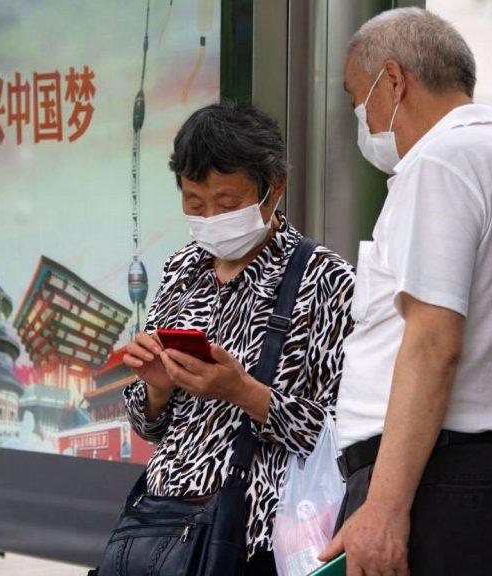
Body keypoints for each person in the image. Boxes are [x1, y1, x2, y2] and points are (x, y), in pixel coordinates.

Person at [320, 8, 492, 576]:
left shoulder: (438, 164)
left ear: (394, 79)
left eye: (357, 99)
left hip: (430, 481)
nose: (360, 117)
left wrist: (385, 508)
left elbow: (433, 342)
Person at [122, 101, 354, 575]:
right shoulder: (182, 268)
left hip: (253, 539)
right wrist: (156, 388)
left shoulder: (325, 279)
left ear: (274, 189)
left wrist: (243, 392)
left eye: (227, 204)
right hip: (161, 526)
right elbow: (150, 427)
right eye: (194, 204)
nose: (210, 217)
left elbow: (341, 436)